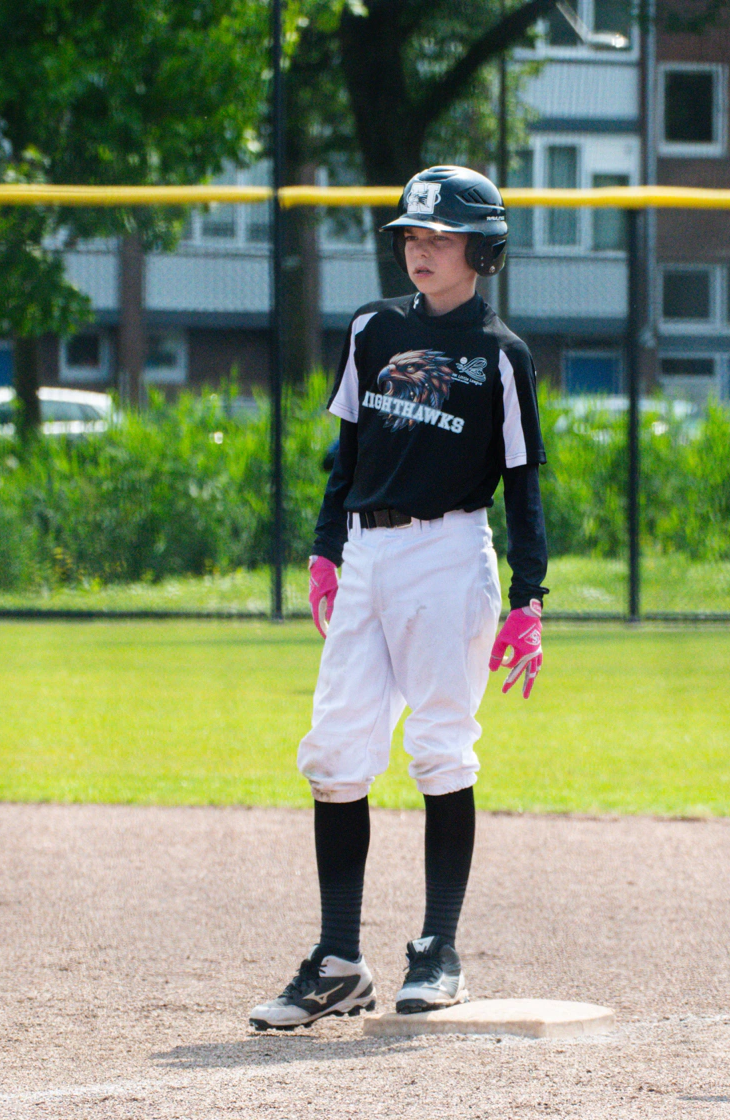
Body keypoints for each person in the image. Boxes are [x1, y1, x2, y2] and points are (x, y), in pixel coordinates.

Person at [248, 166, 549, 1030]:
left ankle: (438, 951)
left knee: (441, 749)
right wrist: (324, 550)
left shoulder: (501, 355)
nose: (420, 251)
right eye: (411, 237)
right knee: (334, 754)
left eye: (439, 238)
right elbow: (345, 454)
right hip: (367, 555)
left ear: (482, 251)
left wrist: (529, 599)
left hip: (449, 556)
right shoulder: (373, 329)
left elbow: (524, 485)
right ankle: (339, 962)